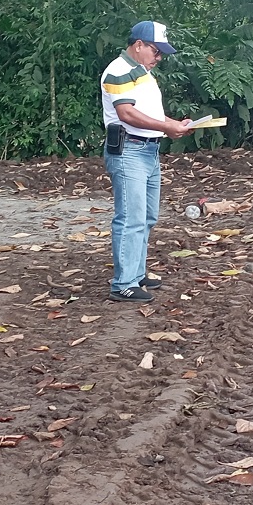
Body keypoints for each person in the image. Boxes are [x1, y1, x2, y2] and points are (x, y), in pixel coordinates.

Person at [100, 20, 193, 303]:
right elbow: (126, 114)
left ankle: (136, 273)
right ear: (138, 45)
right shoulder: (119, 71)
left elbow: (149, 112)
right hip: (129, 149)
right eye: (156, 50)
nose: (159, 57)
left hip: (148, 150)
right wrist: (167, 127)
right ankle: (123, 284)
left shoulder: (143, 73)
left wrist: (174, 123)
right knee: (131, 218)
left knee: (147, 216)